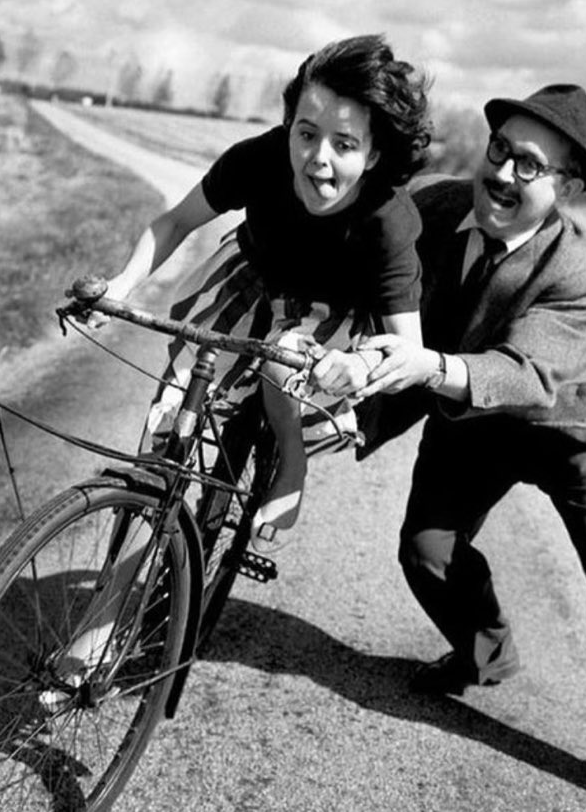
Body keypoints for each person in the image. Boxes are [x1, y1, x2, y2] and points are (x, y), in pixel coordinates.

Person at [314, 84, 586, 811]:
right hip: (470, 416)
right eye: (499, 151)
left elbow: (521, 372)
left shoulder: (577, 273)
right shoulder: (435, 206)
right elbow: (379, 276)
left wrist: (428, 368)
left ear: (568, 187)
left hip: (566, 421)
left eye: (530, 165)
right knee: (427, 549)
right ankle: (483, 652)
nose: (503, 175)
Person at [96, 34, 432, 542]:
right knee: (169, 419)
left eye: (344, 145)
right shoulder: (259, 159)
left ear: (374, 153)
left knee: (283, 356)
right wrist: (120, 286)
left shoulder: (389, 220)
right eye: (305, 133)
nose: (317, 158)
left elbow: (409, 349)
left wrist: (361, 365)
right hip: (251, 280)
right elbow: (174, 223)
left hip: (332, 316)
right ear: (288, 126)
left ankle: (290, 462)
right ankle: (113, 592)